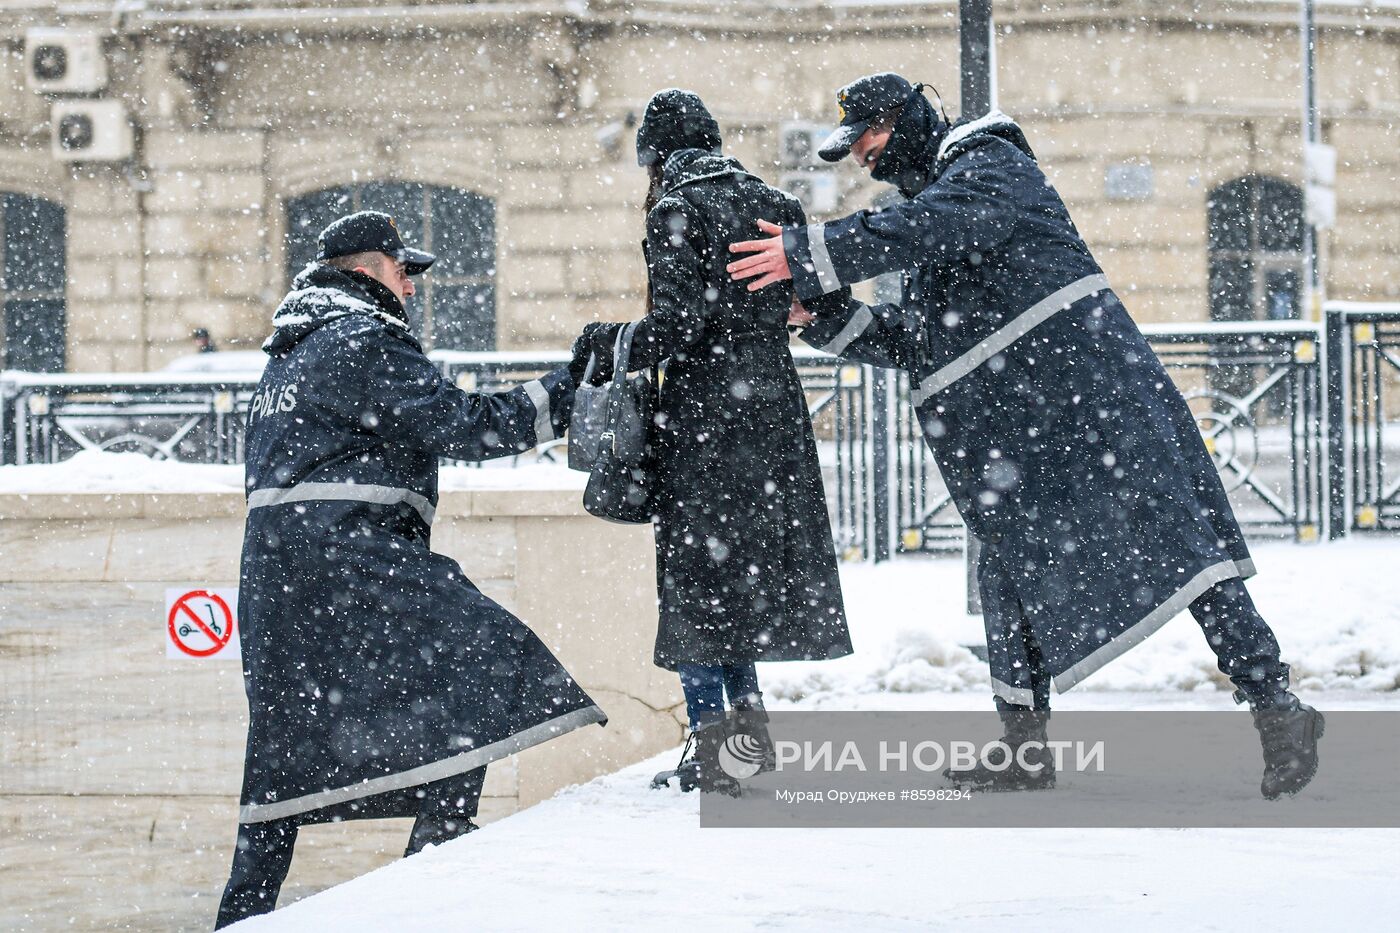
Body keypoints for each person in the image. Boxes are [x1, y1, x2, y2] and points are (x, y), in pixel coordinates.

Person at [727, 73, 1323, 798]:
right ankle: (1022, 746)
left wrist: (810, 249)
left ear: (907, 121)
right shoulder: (932, 224)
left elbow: (942, 224)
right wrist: (815, 318)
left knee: (1188, 554)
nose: (864, 161)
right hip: (1026, 442)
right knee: (1006, 571)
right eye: (855, 149)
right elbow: (921, 342)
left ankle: (1277, 709)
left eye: (870, 140)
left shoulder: (990, 167)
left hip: (1105, 411)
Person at [217, 210, 606, 927]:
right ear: (368, 272)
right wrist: (569, 385)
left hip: (277, 575)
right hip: (348, 556)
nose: (412, 289)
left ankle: (241, 914)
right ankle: (442, 839)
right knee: (483, 654)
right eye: (404, 272)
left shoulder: (290, 351)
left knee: (284, 752)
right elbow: (466, 424)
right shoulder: (363, 337)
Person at [572, 90, 852, 793]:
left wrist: (610, 342)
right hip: (774, 412)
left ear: (658, 157)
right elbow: (804, 305)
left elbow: (677, 325)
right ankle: (751, 734)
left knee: (697, 580)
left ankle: (712, 748)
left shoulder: (677, 209)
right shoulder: (773, 202)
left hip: (704, 417)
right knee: (744, 572)